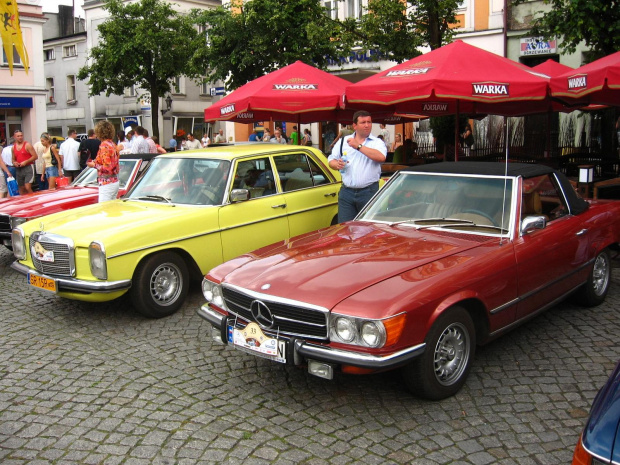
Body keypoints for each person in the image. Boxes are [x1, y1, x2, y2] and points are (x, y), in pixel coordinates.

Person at [328, 110, 387, 223]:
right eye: (363, 122)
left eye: (369, 122)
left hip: (368, 192)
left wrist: (358, 146)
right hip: (347, 192)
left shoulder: (377, 142)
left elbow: (381, 157)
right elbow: (331, 160)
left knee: (368, 229)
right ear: (354, 125)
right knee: (346, 229)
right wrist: (337, 164)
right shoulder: (343, 141)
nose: (367, 125)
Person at [87, 120, 120, 202]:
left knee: (104, 210)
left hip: (106, 182)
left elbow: (107, 168)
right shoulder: (113, 144)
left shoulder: (104, 145)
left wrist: (94, 165)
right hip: (114, 180)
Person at [11, 129, 38, 195]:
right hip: (19, 169)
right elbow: (13, 159)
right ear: (14, 137)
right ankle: (24, 202)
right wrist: (14, 163)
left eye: (21, 136)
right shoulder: (13, 147)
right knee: (21, 188)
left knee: (27, 187)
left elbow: (35, 156)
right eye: (18, 136)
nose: (20, 137)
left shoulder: (27, 145)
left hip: (28, 167)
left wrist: (26, 162)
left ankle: (33, 200)